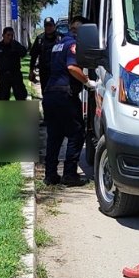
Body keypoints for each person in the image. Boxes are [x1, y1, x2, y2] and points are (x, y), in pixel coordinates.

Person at [43, 14, 91, 187]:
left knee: (54, 136)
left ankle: (50, 175)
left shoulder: (58, 44)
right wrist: (87, 81)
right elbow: (71, 67)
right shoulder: (73, 44)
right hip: (65, 95)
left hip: (50, 94)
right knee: (76, 133)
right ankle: (70, 174)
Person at [0, 26, 29, 101]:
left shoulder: (16, 45)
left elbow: (24, 53)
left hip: (16, 75)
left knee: (21, 96)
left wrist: (16, 46)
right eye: (8, 35)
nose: (10, 37)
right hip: (3, 76)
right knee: (3, 98)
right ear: (3, 35)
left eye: (12, 35)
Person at [29, 17, 60, 93]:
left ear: (54, 26)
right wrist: (31, 70)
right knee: (45, 92)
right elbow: (34, 55)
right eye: (46, 26)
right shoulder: (40, 39)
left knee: (58, 94)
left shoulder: (60, 38)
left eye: (50, 25)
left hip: (58, 72)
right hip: (44, 72)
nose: (48, 27)